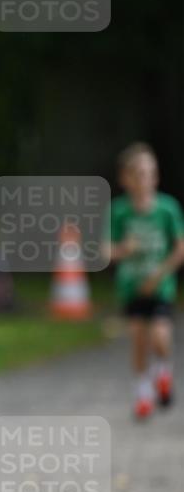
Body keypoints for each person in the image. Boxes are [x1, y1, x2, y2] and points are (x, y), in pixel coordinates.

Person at [108, 143, 184, 420]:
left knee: (160, 336)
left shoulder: (167, 209)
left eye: (149, 173)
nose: (144, 179)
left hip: (160, 285)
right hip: (132, 287)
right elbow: (104, 250)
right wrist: (122, 250)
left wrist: (160, 274)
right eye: (137, 173)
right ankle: (143, 394)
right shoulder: (119, 211)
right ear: (125, 179)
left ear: (156, 176)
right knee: (139, 339)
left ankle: (163, 372)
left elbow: (180, 248)